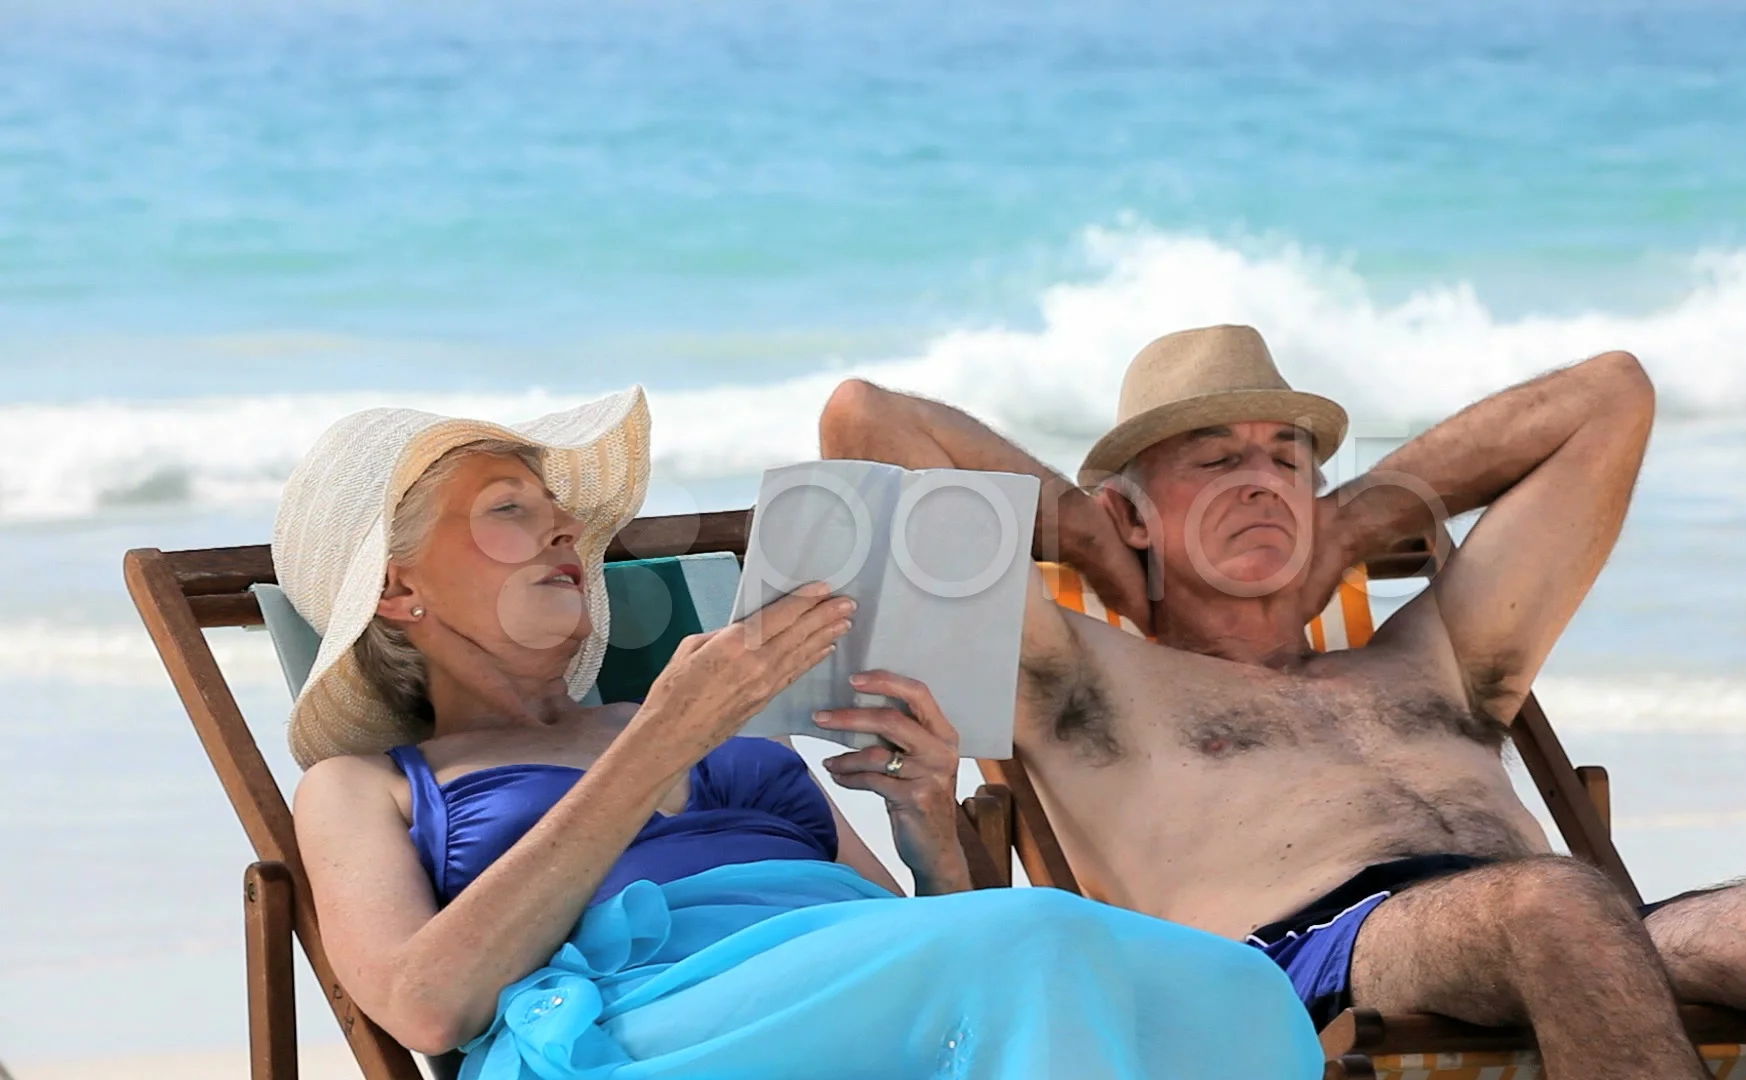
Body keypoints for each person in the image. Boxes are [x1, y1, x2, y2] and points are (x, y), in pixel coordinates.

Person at [820, 325, 1746, 1080]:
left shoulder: (1435, 654)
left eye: (1287, 460)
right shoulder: (1082, 680)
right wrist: (1089, 541)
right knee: (1559, 907)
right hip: (1308, 961)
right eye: (1214, 461)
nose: (1262, 479)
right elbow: (865, 423)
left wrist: (1347, 527)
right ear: (1133, 511)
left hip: (1581, 942)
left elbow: (1611, 394)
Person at [279, 387, 1321, 1080]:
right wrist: (659, 745)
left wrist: (928, 835)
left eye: (559, 510)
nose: (562, 529)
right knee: (1042, 931)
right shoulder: (365, 785)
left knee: (1234, 988)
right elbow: (425, 1009)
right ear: (400, 590)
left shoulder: (727, 730)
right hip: (640, 1027)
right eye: (510, 510)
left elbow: (916, 948)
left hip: (824, 991)